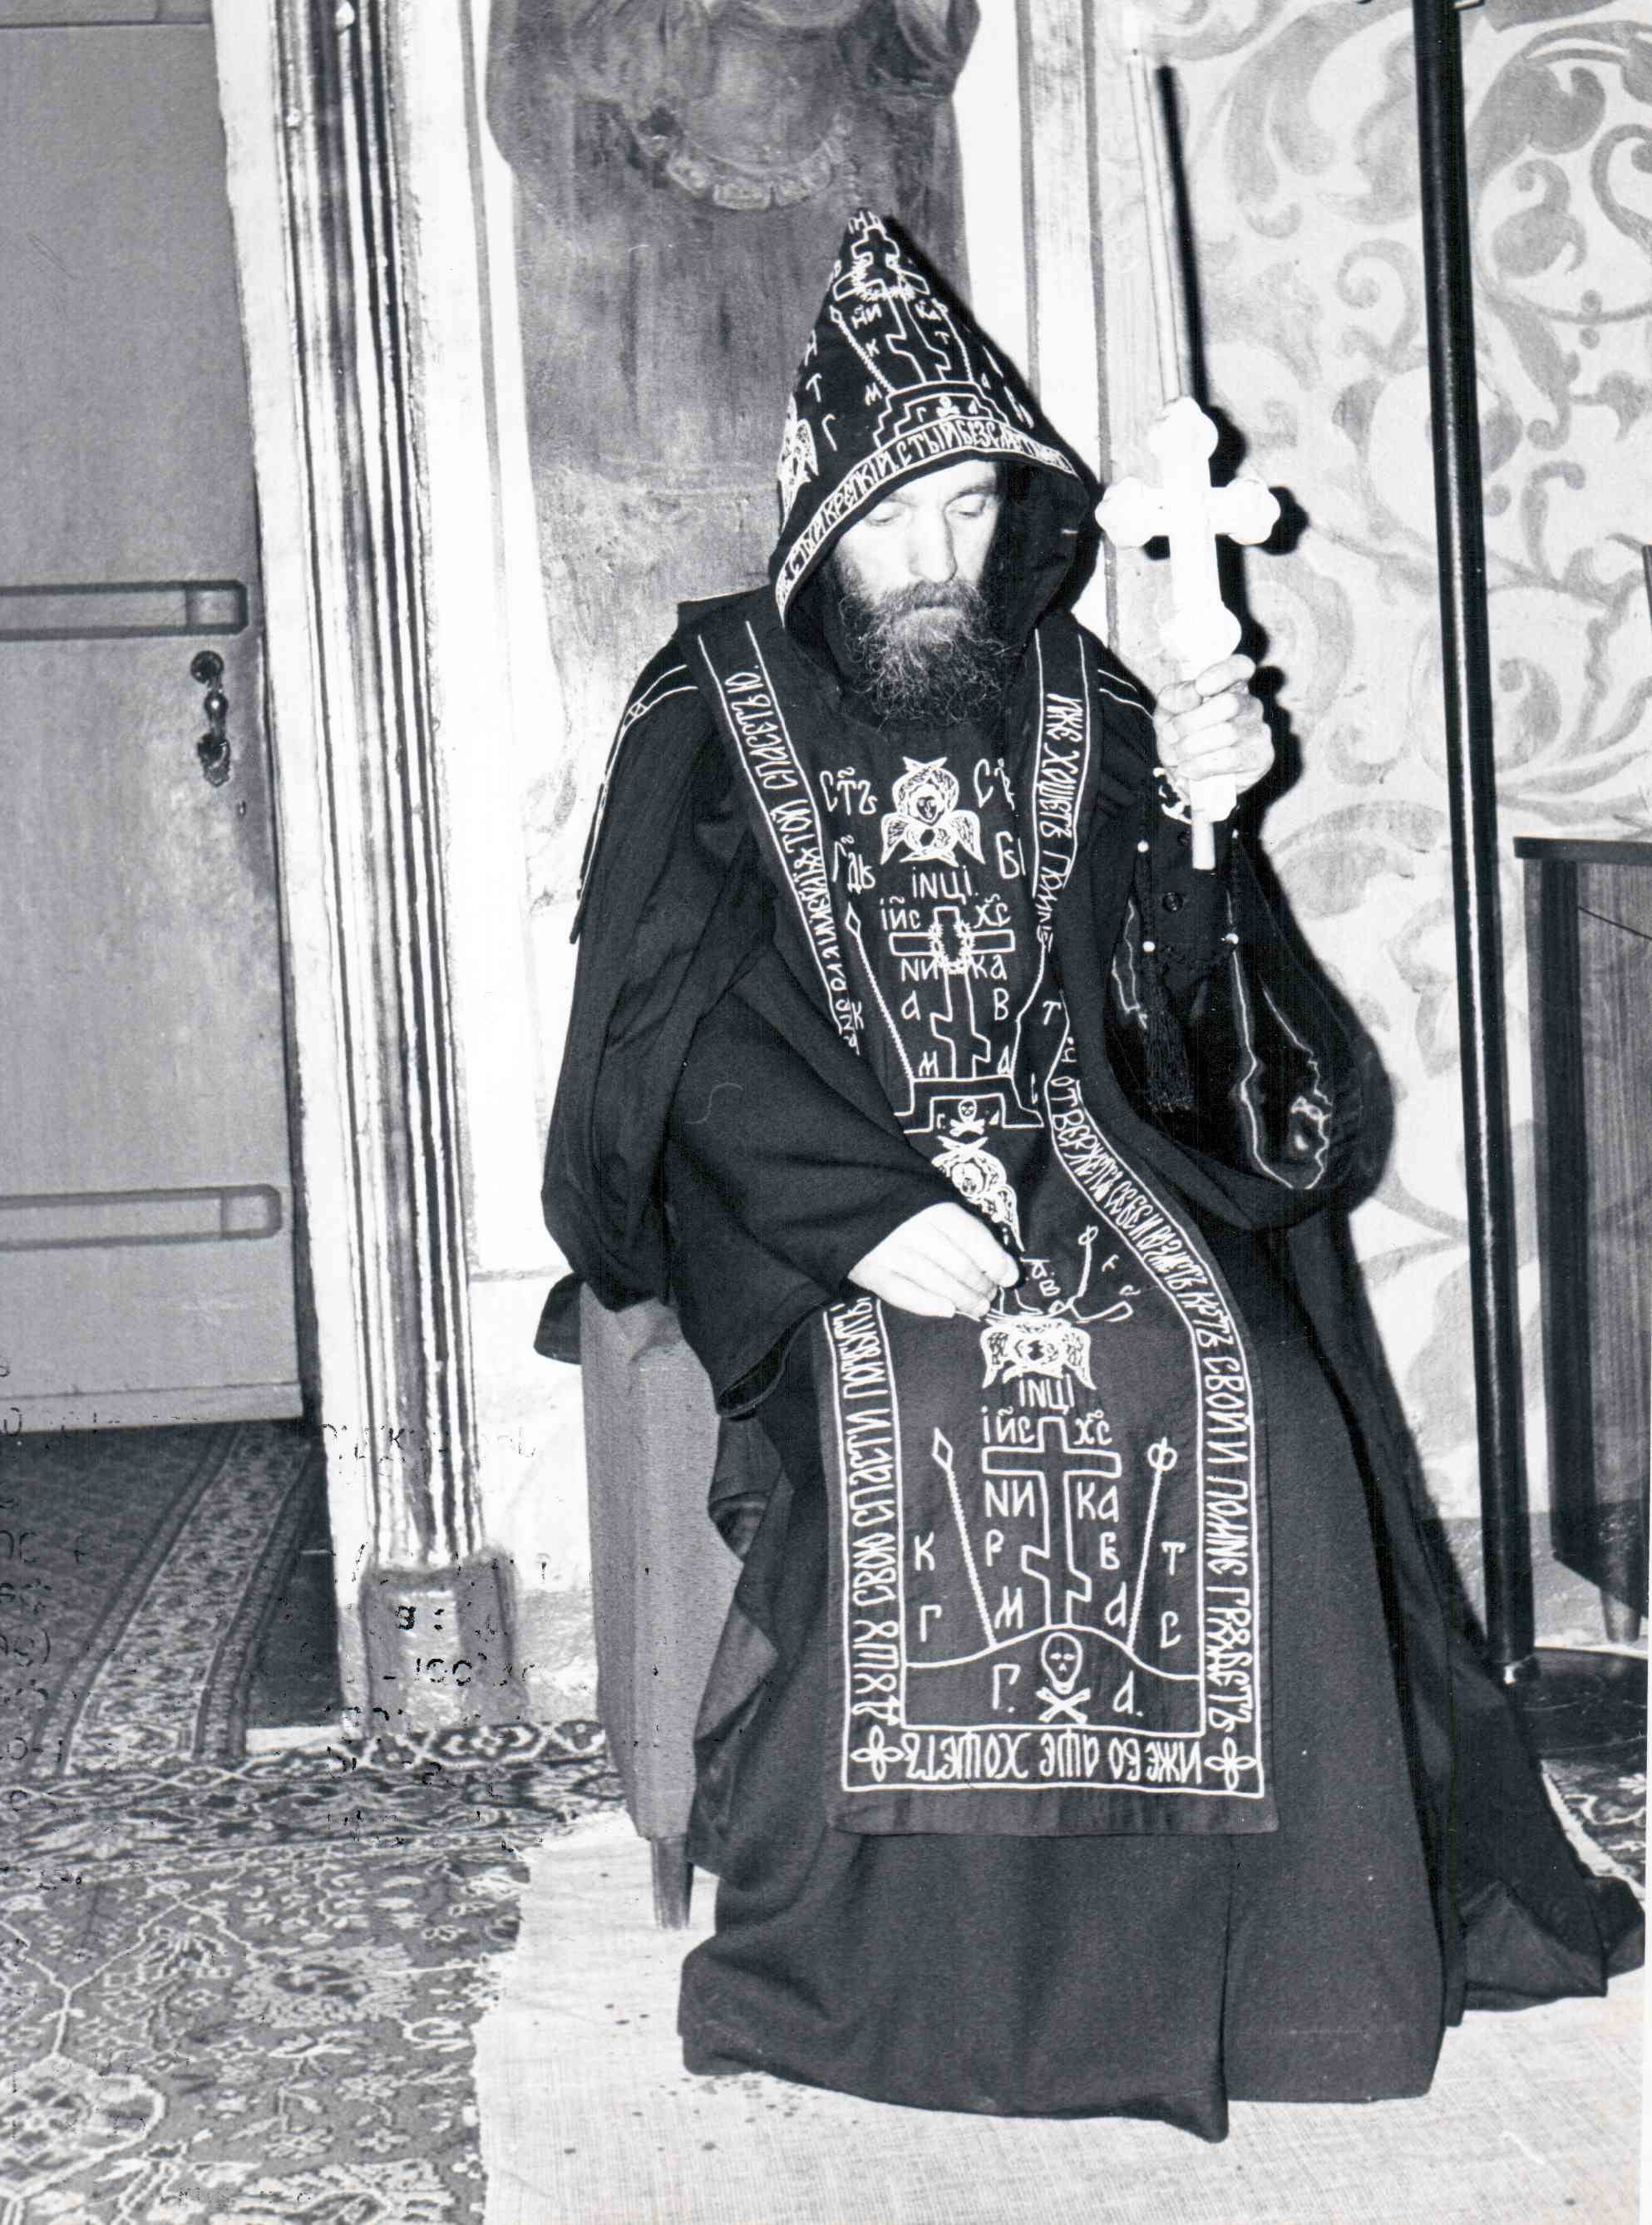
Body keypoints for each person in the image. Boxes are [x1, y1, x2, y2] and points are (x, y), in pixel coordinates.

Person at [541, 210, 1638, 2139]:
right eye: (900, 519)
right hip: (811, 1206)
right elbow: (665, 1029)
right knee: (927, 1411)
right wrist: (862, 1215)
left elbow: (1181, 1020)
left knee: (1259, 1400)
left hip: (1078, 1156)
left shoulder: (1087, 698)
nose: (939, 561)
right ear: (821, 517)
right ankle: (914, 1989)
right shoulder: (706, 701)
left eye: (974, 513)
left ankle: (1282, 1978)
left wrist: (1206, 835)